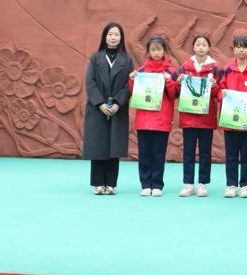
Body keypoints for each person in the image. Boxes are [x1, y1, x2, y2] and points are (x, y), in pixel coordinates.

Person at [82, 22, 133, 195]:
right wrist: (100, 103)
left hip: (117, 109)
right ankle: (98, 183)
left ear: (121, 38)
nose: (113, 38)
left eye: (117, 35)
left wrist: (118, 102)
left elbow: (128, 85)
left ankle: (110, 184)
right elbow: (90, 83)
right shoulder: (95, 58)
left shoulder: (127, 60)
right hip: (97, 108)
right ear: (105, 37)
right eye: (110, 34)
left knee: (114, 146)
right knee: (98, 145)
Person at [128, 35, 178, 196]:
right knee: (144, 153)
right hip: (144, 119)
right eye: (153, 50)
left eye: (159, 49)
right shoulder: (141, 71)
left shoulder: (171, 71)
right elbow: (133, 92)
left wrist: (169, 81)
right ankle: (145, 184)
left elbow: (174, 95)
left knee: (158, 154)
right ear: (148, 51)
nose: (156, 53)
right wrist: (132, 80)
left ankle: (157, 185)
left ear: (164, 51)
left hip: (162, 119)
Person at [216, 33, 247, 199]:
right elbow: (218, 90)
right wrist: (222, 95)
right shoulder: (226, 69)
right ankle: (231, 185)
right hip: (230, 119)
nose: (241, 50)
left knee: (246, 154)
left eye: (244, 47)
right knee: (230, 154)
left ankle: (245, 185)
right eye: (238, 47)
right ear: (233, 49)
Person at [177, 34, 219, 197]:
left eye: (204, 45)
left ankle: (202, 183)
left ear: (209, 48)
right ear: (193, 47)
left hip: (206, 117)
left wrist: (215, 86)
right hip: (189, 117)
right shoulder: (185, 67)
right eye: (198, 45)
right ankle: (188, 183)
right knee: (188, 152)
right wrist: (179, 83)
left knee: (205, 152)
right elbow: (178, 90)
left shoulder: (215, 68)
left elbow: (217, 93)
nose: (201, 47)